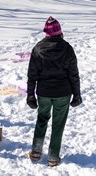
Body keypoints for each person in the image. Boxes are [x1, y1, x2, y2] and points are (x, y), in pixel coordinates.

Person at [26, 16, 82, 167]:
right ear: (59, 32)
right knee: (58, 123)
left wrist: (31, 94)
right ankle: (53, 156)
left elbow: (32, 74)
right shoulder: (67, 48)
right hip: (63, 93)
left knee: (42, 119)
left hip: (44, 92)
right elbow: (73, 74)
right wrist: (77, 94)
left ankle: (36, 151)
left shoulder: (38, 48)